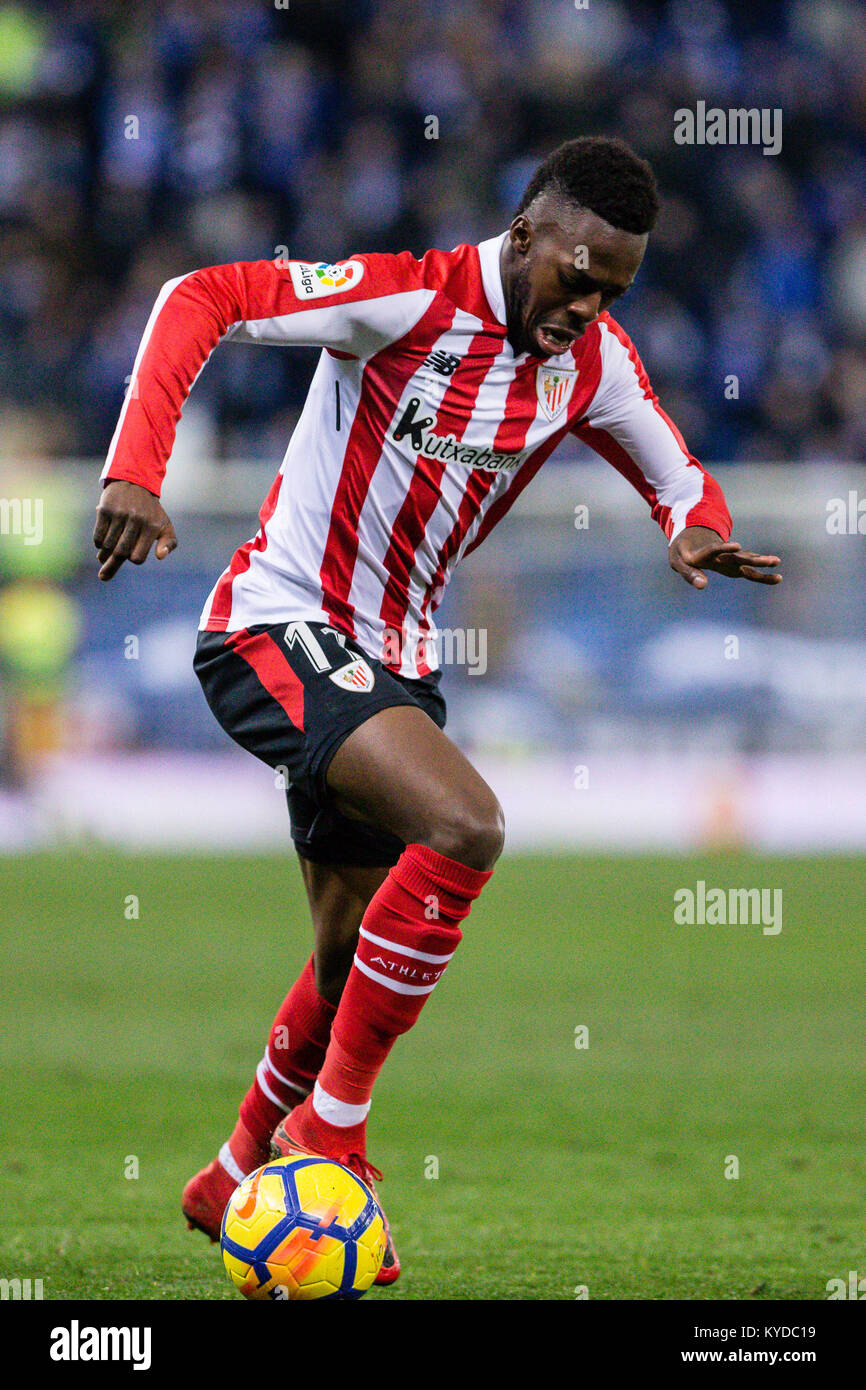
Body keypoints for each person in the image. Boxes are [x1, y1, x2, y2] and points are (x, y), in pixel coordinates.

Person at [93, 136, 781, 1286]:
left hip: (395, 666)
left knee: (344, 953)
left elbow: (673, 468)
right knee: (466, 826)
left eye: (615, 287)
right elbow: (200, 294)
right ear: (525, 236)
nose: (588, 303)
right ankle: (332, 1134)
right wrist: (135, 465)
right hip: (275, 625)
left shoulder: (590, 362)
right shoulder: (406, 297)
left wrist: (690, 524)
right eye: (577, 272)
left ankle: (230, 1173)